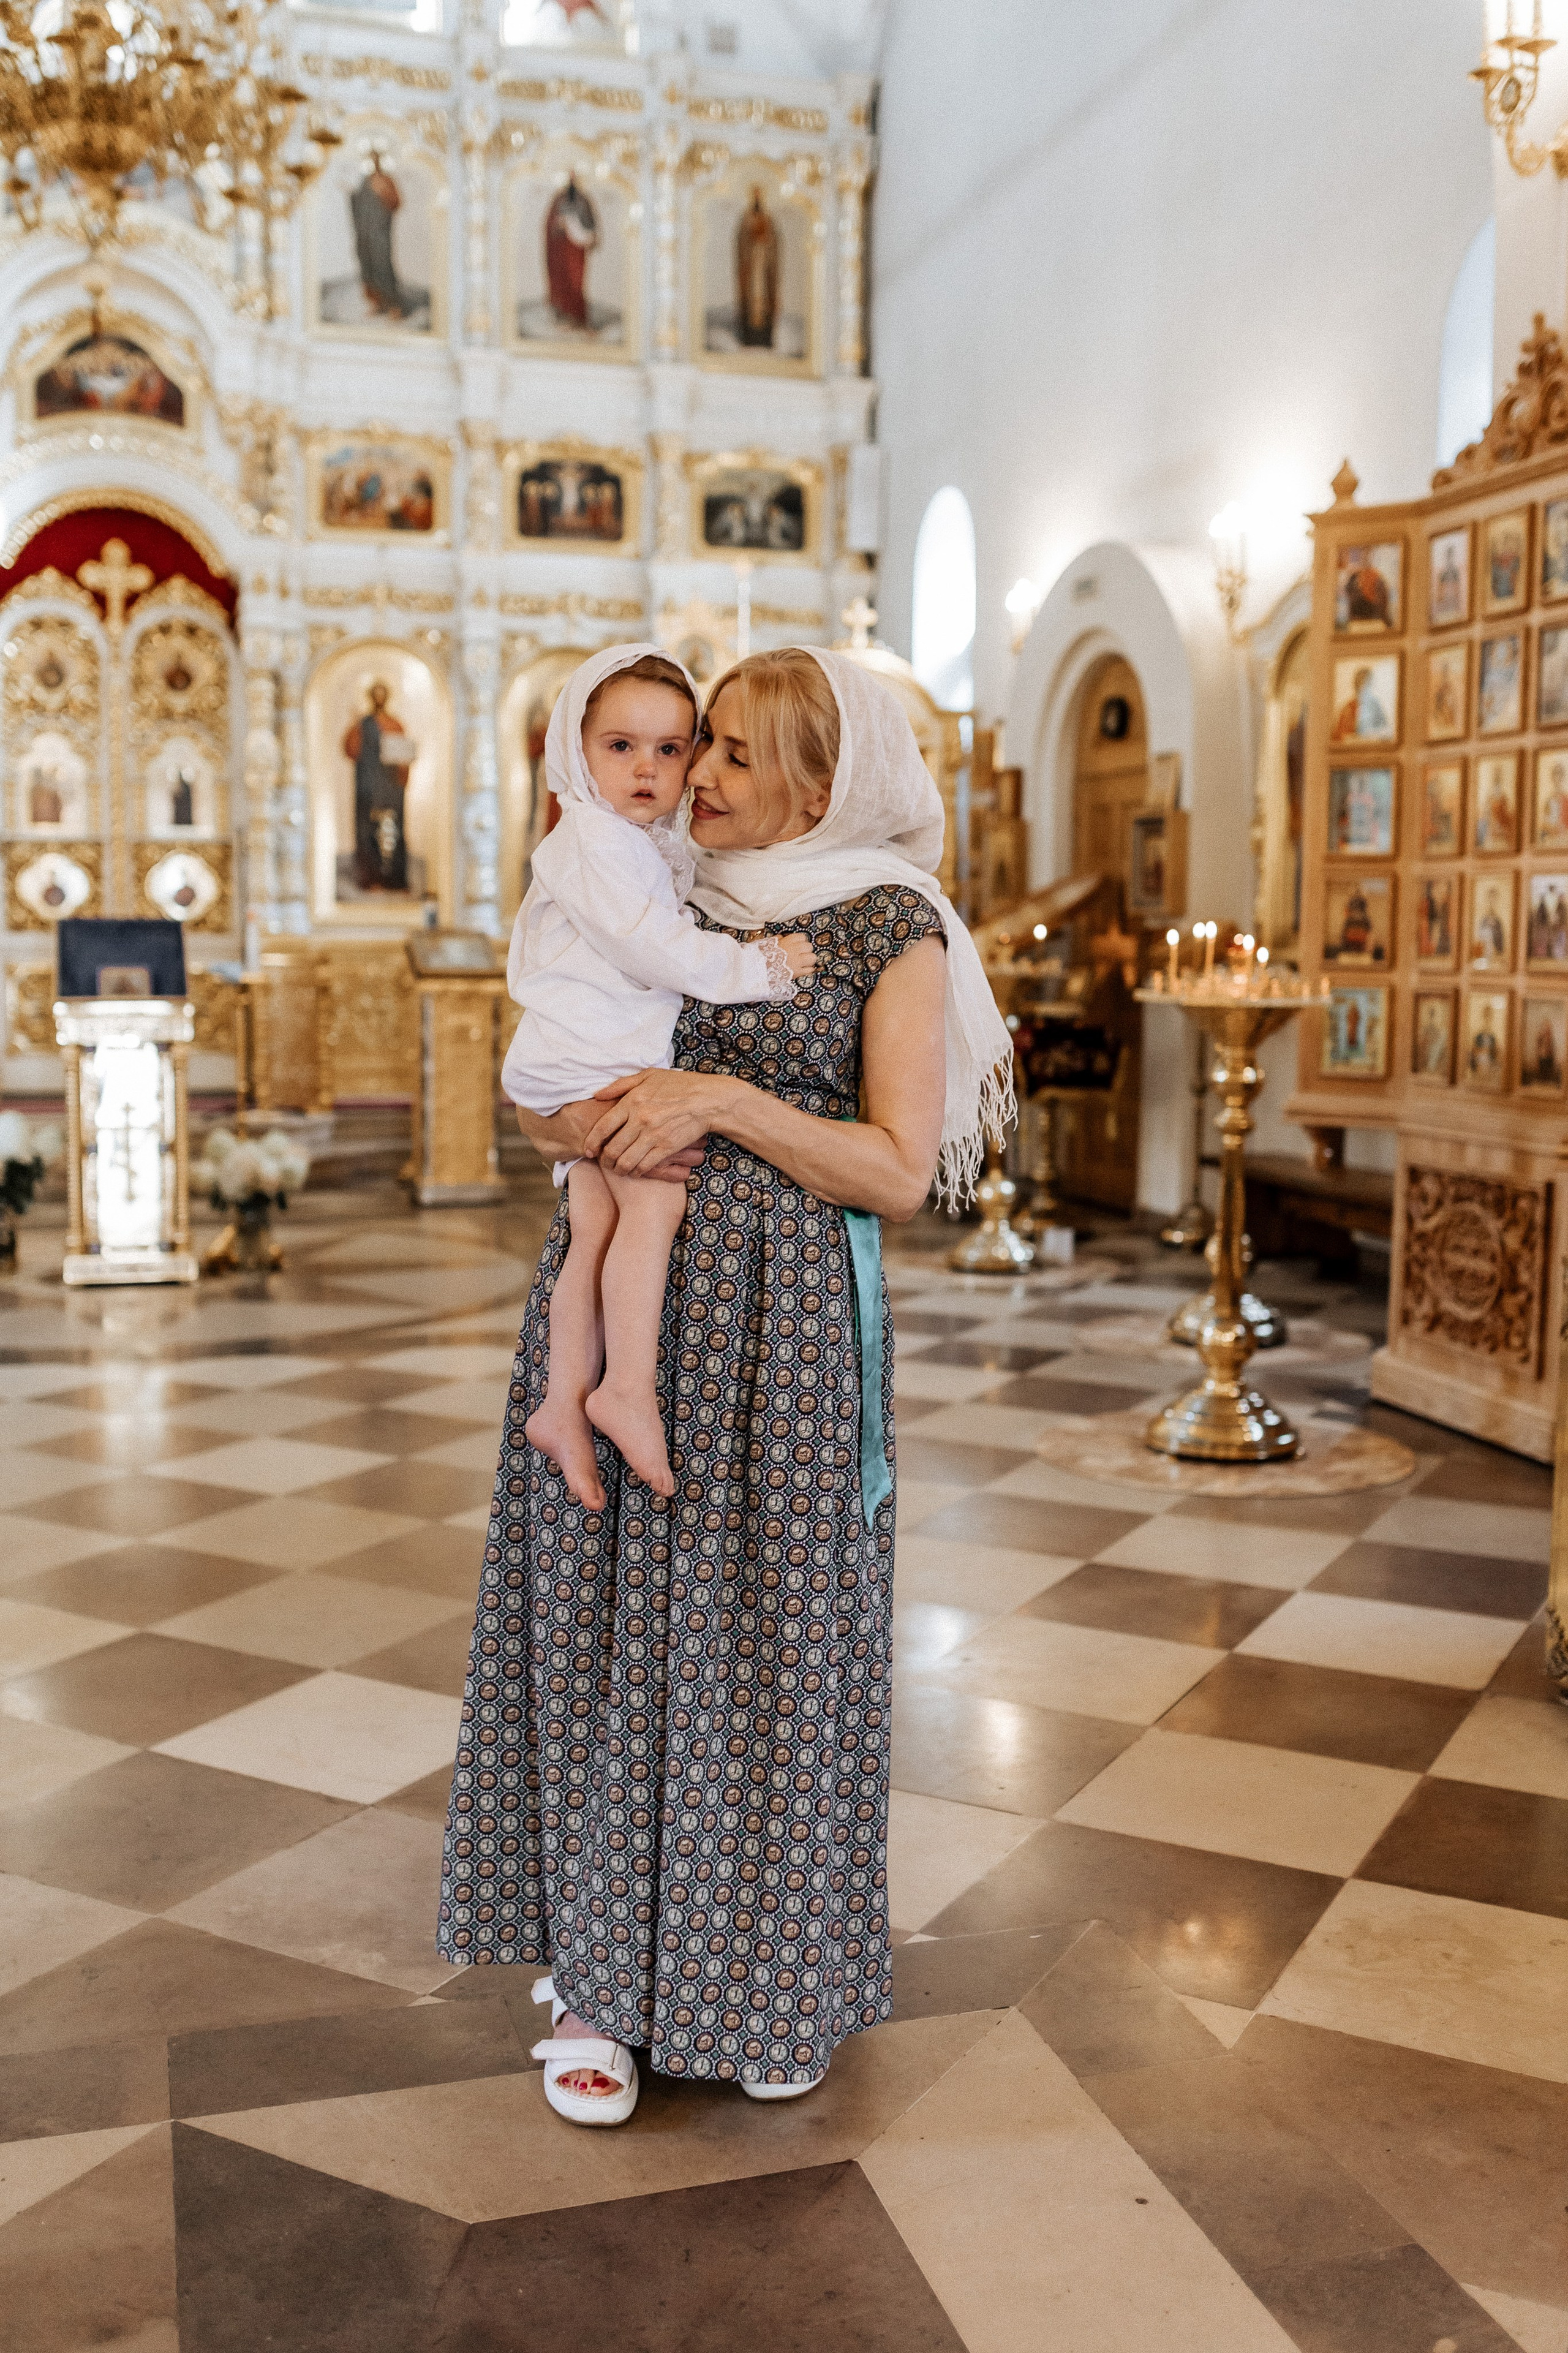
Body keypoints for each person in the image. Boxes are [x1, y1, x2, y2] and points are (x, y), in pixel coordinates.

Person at [437, 647, 1012, 2124]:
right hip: (629, 1304)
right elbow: (561, 1072)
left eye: (735, 753)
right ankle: (596, 1988)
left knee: (771, 1644)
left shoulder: (889, 924)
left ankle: (770, 1977)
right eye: (695, 746)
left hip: (787, 1338)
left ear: (824, 783)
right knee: (606, 1631)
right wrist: (572, 1114)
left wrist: (723, 1100)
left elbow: (893, 1168)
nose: (697, 775)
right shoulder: (651, 879)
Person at [502, 646, 815, 1506]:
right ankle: (626, 1390)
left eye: (672, 749)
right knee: (653, 1199)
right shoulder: (595, 843)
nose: (648, 768)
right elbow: (655, 946)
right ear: (573, 748)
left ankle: (565, 1399)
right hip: (590, 1053)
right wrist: (764, 969)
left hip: (579, 1052)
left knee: (594, 1219)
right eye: (620, 746)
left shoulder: (625, 840)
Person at [344, 680, 412, 892]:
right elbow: (351, 750)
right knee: (367, 833)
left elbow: (402, 757)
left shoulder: (394, 724)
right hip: (368, 787)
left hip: (390, 787)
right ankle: (369, 879)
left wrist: (402, 773)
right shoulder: (362, 725)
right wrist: (355, 726)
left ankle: (396, 881)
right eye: (376, 694)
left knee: (395, 832)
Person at [350, 155, 406, 319]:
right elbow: (358, 201)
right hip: (365, 234)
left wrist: (383, 194)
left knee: (383, 266)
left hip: (380, 234)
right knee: (368, 268)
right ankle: (377, 304)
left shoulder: (386, 181)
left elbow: (395, 202)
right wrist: (352, 194)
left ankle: (395, 305)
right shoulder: (365, 181)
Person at [545, 175, 598, 328]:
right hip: (560, 251)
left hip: (577, 251)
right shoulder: (558, 200)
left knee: (576, 281)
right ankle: (563, 315)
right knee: (563, 280)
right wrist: (559, 226)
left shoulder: (583, 200)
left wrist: (588, 235)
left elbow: (591, 223)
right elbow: (551, 223)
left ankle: (577, 317)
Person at [736, 184, 778, 346]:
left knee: (764, 300)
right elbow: (742, 241)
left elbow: (774, 243)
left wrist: (764, 242)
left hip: (764, 269)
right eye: (755, 195)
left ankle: (765, 337)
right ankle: (749, 336)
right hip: (751, 269)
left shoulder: (768, 218)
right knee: (750, 300)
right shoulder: (746, 218)